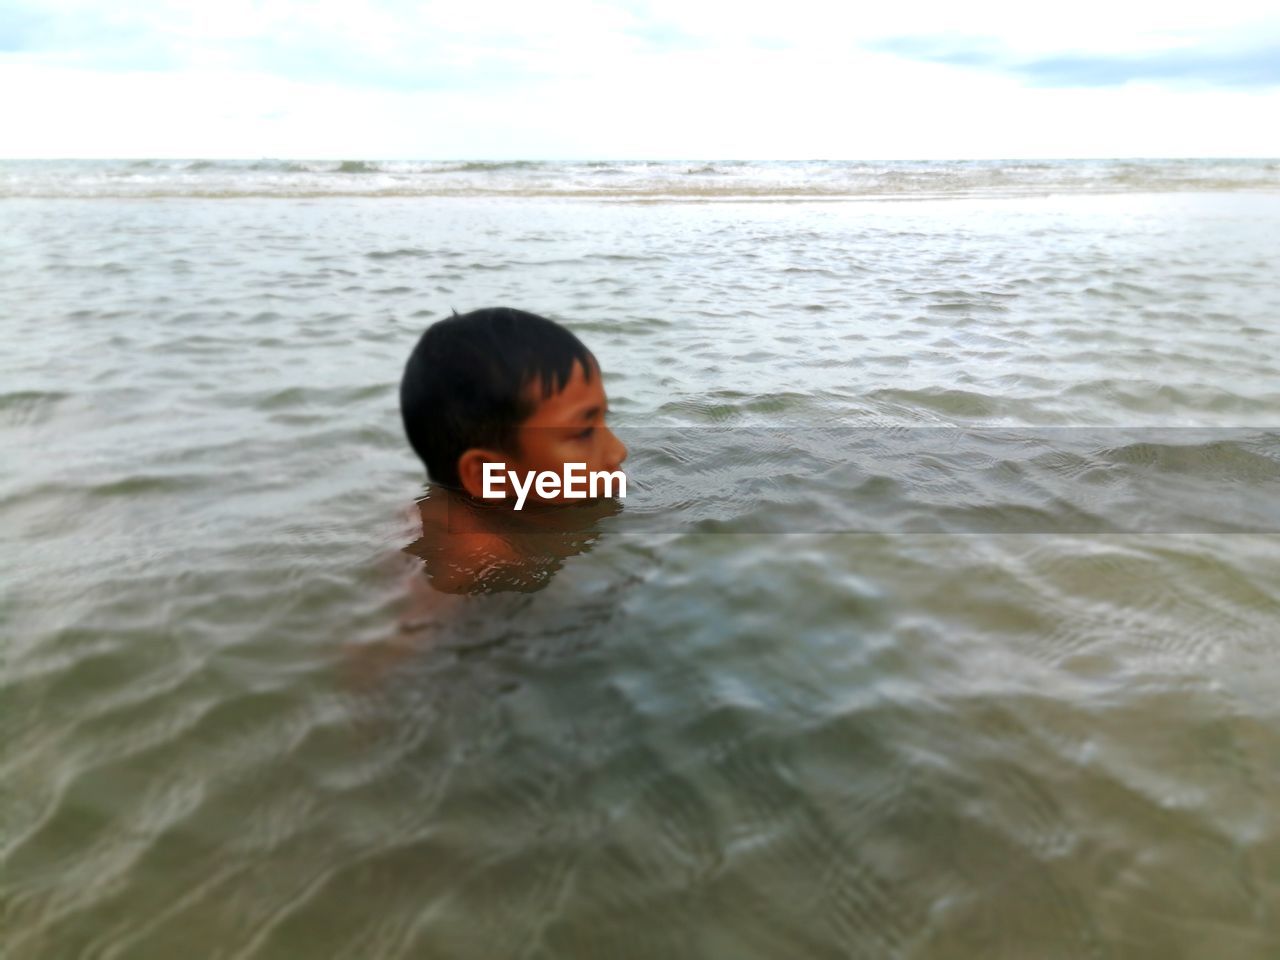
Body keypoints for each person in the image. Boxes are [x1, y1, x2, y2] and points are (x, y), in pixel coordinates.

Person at [399, 306, 628, 596]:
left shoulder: (431, 508)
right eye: (583, 432)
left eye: (604, 420)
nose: (619, 451)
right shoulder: (481, 563)